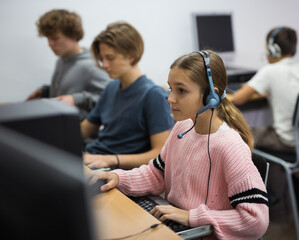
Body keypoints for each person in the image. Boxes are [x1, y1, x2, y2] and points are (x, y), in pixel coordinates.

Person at [90, 50, 269, 239]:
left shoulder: (230, 146)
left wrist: (192, 216)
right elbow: (156, 174)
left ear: (211, 96)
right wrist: (118, 178)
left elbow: (255, 221)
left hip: (200, 233)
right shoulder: (182, 127)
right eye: (170, 89)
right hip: (178, 226)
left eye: (181, 90)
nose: (170, 98)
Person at [82, 21, 173, 170]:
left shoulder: (153, 95)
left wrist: (110, 160)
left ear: (131, 56)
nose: (104, 64)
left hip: (113, 169)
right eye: (102, 58)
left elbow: (160, 154)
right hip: (94, 158)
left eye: (110, 58)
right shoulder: (111, 87)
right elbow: (86, 128)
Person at [228, 26, 299, 152]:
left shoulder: (269, 71)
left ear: (272, 49)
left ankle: (256, 170)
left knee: (240, 134)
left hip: (288, 143)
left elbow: (238, 99)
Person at [26, 9, 111, 120]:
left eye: (55, 39)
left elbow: (109, 99)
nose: (50, 44)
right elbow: (71, 88)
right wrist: (45, 91)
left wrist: (77, 99)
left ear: (73, 35)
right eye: (48, 39)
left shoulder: (91, 65)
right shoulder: (62, 60)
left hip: (79, 132)